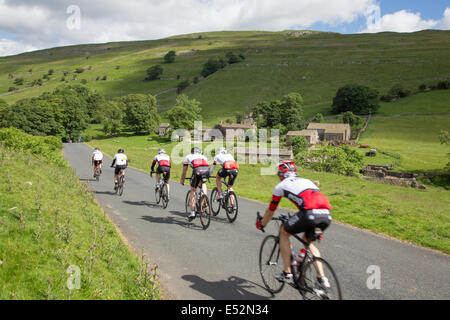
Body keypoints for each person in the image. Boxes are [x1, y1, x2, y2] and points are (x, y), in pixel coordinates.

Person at [256, 161, 332, 288]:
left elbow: (270, 211)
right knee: (308, 242)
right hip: (326, 214)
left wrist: (261, 224)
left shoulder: (280, 186)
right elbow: (311, 200)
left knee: (284, 233)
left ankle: (287, 272)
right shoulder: (307, 181)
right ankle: (322, 278)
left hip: (309, 213)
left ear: (281, 174)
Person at [180, 147, 210, 221]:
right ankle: (204, 196)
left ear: (192, 152)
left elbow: (184, 170)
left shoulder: (188, 157)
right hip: (206, 170)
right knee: (203, 183)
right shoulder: (204, 157)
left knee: (193, 190)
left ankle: (192, 212)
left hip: (197, 171)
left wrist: (182, 179)